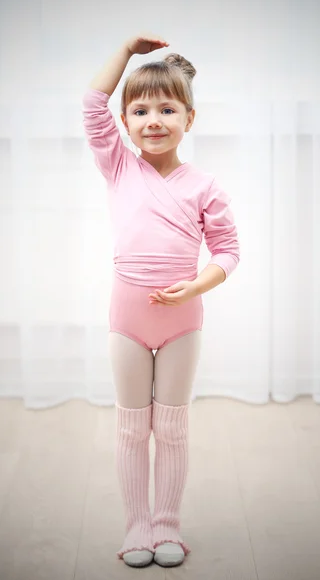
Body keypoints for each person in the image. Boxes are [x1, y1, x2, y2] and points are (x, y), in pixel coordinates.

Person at [82, 33, 240, 569]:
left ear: (189, 120)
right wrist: (124, 52)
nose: (153, 119)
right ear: (124, 120)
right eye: (141, 109)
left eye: (167, 109)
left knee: (171, 426)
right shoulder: (119, 167)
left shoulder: (205, 185)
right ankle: (136, 526)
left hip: (182, 322)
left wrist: (197, 286)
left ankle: (167, 525)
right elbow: (89, 103)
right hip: (126, 319)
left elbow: (228, 250)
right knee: (132, 426)